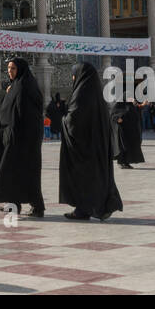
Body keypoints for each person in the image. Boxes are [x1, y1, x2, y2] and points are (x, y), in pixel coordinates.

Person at [59, 63, 123, 221]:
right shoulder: (96, 94)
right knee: (96, 177)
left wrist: (63, 119)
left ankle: (83, 210)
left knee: (83, 177)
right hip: (96, 146)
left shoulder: (81, 94)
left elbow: (74, 120)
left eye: (74, 74)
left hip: (83, 148)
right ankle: (94, 207)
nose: (73, 78)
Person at [0, 57, 45, 217]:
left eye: (13, 68)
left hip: (23, 140)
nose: (9, 71)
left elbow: (28, 115)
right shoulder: (15, 86)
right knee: (11, 172)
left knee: (27, 173)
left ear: (20, 69)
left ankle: (37, 207)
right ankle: (14, 204)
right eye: (8, 69)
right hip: (12, 138)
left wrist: (17, 134)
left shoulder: (26, 86)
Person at [110, 99, 145, 169]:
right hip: (122, 130)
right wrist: (117, 118)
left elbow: (136, 112)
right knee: (122, 147)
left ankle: (126, 162)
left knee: (129, 147)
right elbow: (112, 114)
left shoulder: (131, 105)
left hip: (130, 130)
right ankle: (120, 162)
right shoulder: (119, 104)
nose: (131, 99)